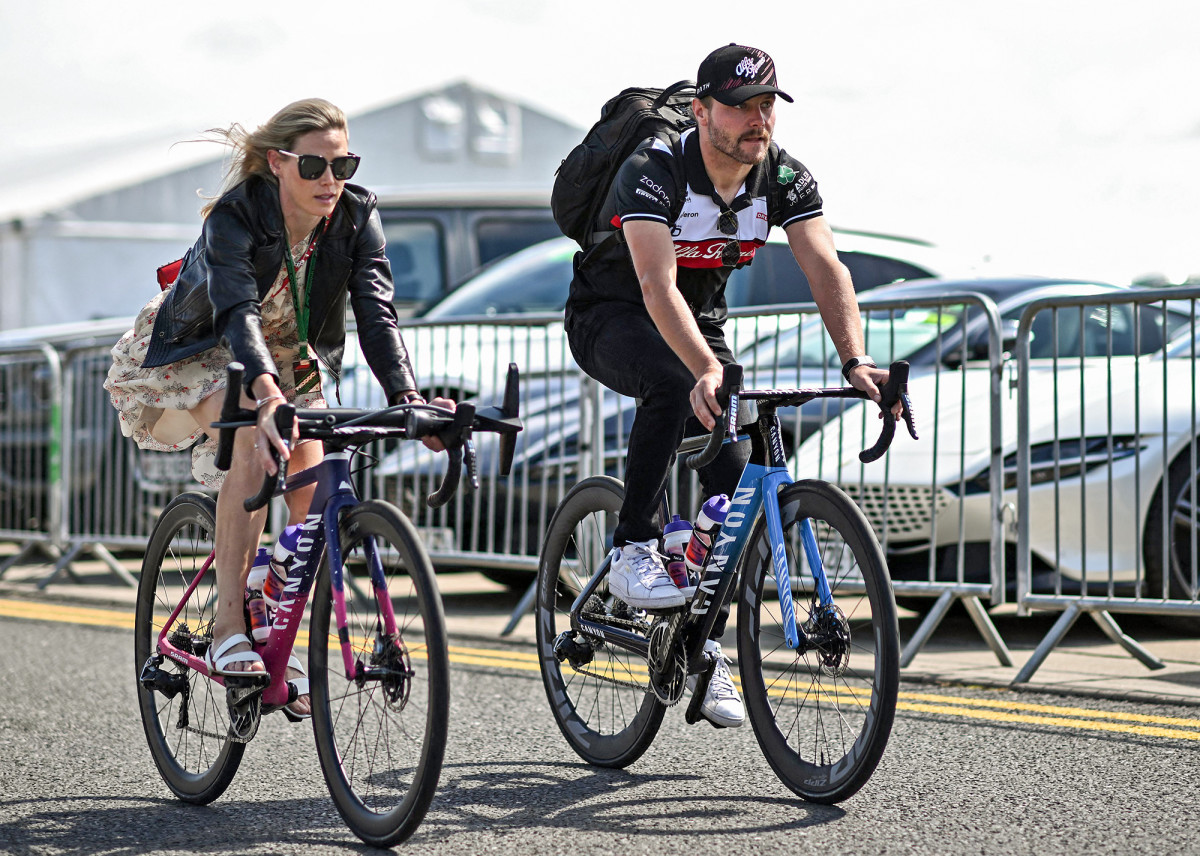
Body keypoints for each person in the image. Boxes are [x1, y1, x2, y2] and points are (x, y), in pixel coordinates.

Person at [564, 45, 898, 728]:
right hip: (612, 315)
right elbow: (656, 286)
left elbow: (825, 266)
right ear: (701, 110)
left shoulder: (781, 177)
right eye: (741, 105)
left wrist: (856, 359)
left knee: (736, 488)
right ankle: (632, 548)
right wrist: (705, 368)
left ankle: (702, 647)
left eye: (767, 104)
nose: (757, 118)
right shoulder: (654, 170)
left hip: (701, 323)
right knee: (669, 379)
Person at [106, 98, 448, 718]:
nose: (330, 180)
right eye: (314, 165)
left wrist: (409, 399)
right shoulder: (238, 215)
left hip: (286, 359)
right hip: (204, 349)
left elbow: (376, 310)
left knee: (312, 496)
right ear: (278, 163)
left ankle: (276, 615)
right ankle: (230, 621)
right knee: (255, 446)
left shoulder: (356, 213)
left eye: (342, 165)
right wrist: (264, 395)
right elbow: (236, 309)